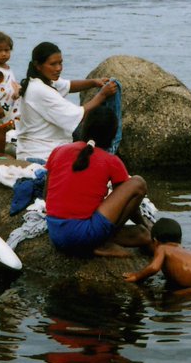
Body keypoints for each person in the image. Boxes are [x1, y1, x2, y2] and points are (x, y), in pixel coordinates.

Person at [44, 108, 151, 258]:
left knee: (142, 235)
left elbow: (46, 195)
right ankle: (103, 242)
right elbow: (128, 204)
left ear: (84, 128)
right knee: (138, 183)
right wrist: (145, 223)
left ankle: (101, 239)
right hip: (82, 235)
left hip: (55, 232)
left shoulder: (58, 151)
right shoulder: (111, 161)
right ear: (113, 135)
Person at [14, 41, 117, 162]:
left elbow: (68, 85)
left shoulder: (39, 80)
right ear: (38, 65)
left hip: (40, 148)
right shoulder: (39, 90)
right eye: (53, 64)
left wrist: (94, 82)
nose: (58, 68)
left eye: (60, 63)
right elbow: (79, 115)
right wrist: (102, 95)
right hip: (41, 153)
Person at [123, 218, 191, 295]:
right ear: (179, 239)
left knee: (172, 297)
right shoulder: (186, 251)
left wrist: (137, 276)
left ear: (155, 241)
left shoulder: (162, 248)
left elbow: (154, 268)